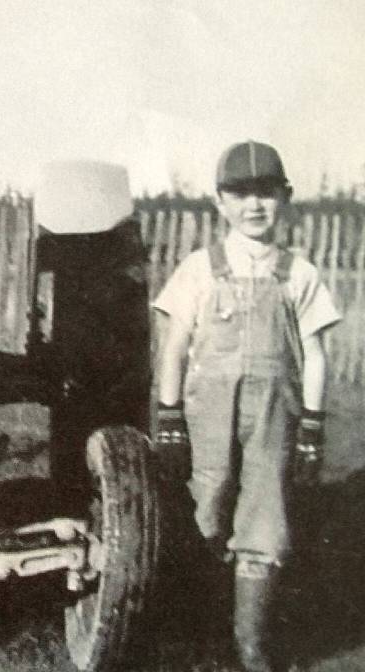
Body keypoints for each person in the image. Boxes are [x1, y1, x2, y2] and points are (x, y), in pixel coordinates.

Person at [153, 141, 341, 672]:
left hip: (273, 418)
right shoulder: (199, 267)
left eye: (266, 193)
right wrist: (168, 417)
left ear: (285, 197)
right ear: (220, 202)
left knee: (265, 515)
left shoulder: (298, 273)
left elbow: (317, 354)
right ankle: (202, 637)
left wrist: (313, 425)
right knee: (203, 508)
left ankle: (249, 645)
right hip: (206, 417)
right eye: (241, 195)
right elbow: (174, 344)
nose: (254, 206)